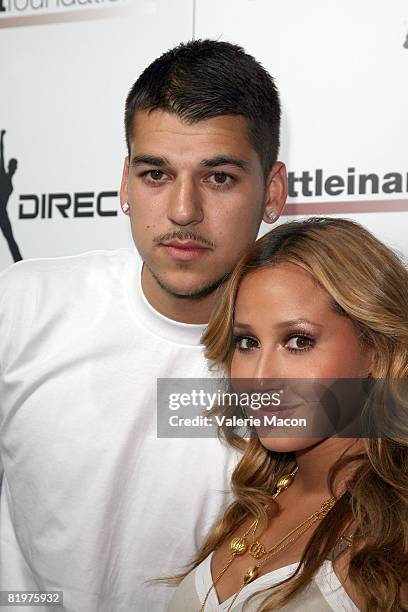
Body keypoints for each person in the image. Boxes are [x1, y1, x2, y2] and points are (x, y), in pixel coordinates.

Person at [0, 40, 287, 611]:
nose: (183, 210)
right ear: (126, 184)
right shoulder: (19, 307)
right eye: (156, 174)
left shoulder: (318, 353)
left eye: (220, 177)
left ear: (273, 191)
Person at [168, 217, 408, 611]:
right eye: (246, 342)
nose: (260, 378)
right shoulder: (257, 498)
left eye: (298, 341)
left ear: (376, 351)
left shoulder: (394, 538)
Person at [0, 129, 22, 262]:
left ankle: (20, 263)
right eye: (13, 165)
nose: (15, 167)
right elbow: (1, 153)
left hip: (2, 213)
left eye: (16, 166)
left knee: (11, 239)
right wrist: (2, 138)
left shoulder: (8, 180)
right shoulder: (2, 175)